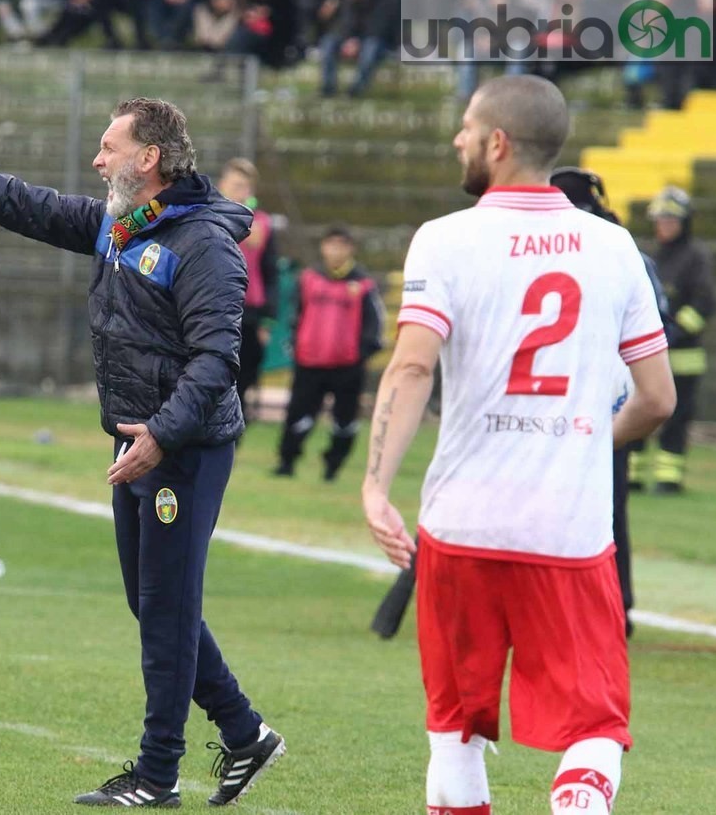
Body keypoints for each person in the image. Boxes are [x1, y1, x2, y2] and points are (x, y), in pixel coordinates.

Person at [0, 98, 284, 808]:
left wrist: (161, 433)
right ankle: (245, 732)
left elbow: (219, 359)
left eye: (108, 146)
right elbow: (31, 207)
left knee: (165, 608)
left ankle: (158, 774)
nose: (97, 160)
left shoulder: (204, 243)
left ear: (148, 158)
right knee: (154, 601)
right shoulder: (126, 224)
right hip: (137, 439)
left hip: (180, 448)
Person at [361, 75, 675, 815]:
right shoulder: (613, 245)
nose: (457, 140)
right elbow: (657, 397)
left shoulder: (444, 237)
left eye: (467, 128)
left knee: (455, 730)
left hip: (460, 525)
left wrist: (375, 486)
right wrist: (591, 441)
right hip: (565, 529)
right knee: (595, 726)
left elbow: (411, 365)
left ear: (497, 143)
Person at [549, 166, 671, 638]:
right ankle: (614, 608)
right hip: (606, 403)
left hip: (567, 403)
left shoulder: (598, 251)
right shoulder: (623, 250)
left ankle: (603, 607)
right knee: (607, 506)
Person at [274, 224, 383, 480]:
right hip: (309, 362)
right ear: (323, 247)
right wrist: (295, 343)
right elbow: (294, 314)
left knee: (344, 421)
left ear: (350, 249)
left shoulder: (364, 284)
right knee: (298, 415)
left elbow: (374, 323)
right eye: (331, 244)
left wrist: (362, 353)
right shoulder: (309, 279)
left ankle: (333, 466)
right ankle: (287, 462)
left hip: (348, 365)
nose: (336, 250)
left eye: (341, 245)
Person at [628, 185, 716, 494]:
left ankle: (669, 478)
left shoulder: (695, 257)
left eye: (670, 221)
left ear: (684, 223)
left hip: (684, 356)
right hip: (651, 353)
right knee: (638, 411)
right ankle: (633, 475)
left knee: (677, 418)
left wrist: (677, 329)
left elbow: (705, 302)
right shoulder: (654, 255)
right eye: (660, 221)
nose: (664, 227)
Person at [216, 157, 278, 429]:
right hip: (213, 303)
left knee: (243, 375)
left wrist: (268, 318)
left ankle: (233, 429)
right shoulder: (206, 214)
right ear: (222, 185)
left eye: (246, 187)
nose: (241, 191)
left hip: (248, 311)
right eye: (236, 185)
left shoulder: (260, 223)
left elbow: (270, 271)